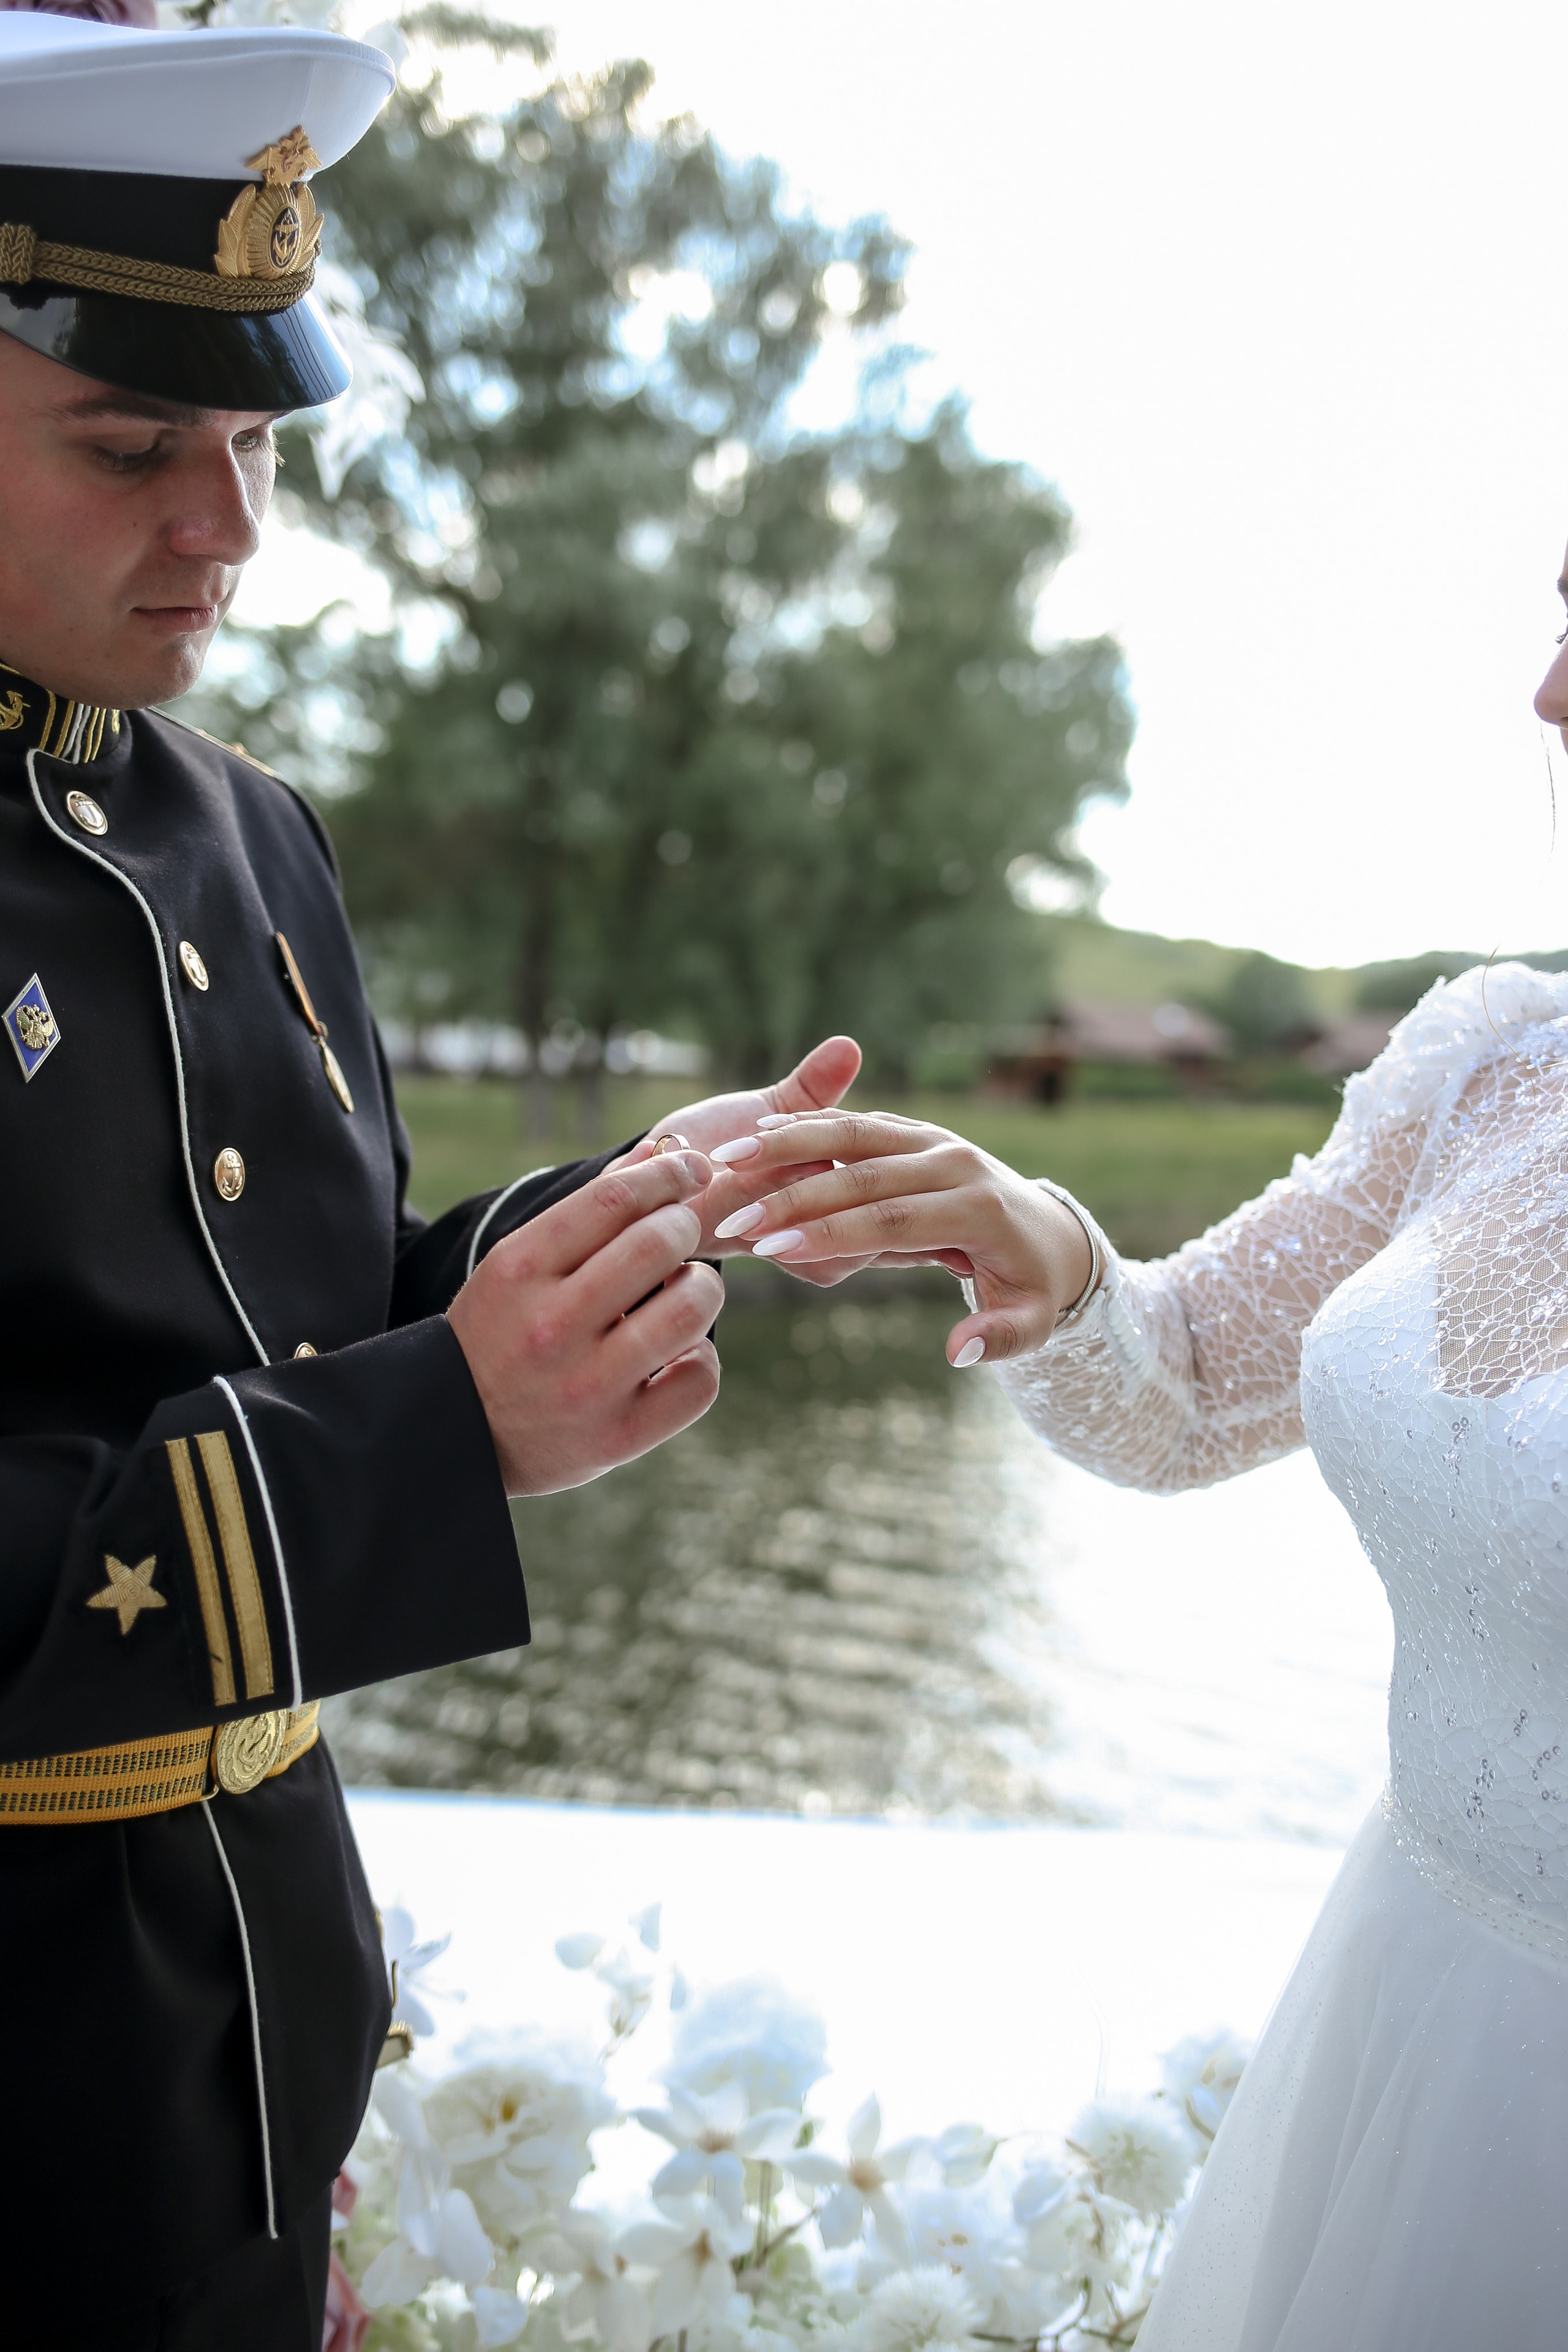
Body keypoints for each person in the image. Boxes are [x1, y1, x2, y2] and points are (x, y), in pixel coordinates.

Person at [0, 15, 858, 2346]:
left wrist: (595, 1238)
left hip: (253, 2019)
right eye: (129, 439)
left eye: (256, 439)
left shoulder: (244, 824)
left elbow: (292, 1309)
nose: (232, 526)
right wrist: (442, 1430)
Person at [707, 595, 1568, 2345]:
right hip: (1408, 2001)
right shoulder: (1496, 1061)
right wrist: (1037, 1243)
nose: (1547, 692)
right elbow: (1176, 1394)